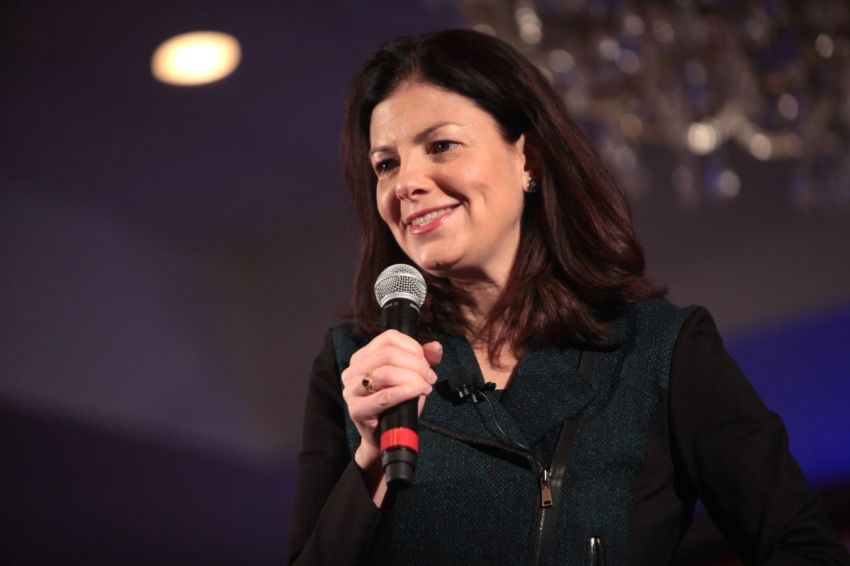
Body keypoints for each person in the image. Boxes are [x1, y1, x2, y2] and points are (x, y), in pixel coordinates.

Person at [287, 29, 850, 565]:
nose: (406, 182)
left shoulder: (657, 350)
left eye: (441, 145)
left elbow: (803, 547)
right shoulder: (355, 366)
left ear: (526, 158)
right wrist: (368, 463)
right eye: (386, 164)